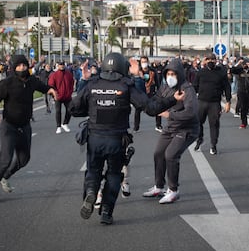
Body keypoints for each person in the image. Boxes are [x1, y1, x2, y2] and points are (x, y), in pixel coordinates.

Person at [69, 53, 184, 225]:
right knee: (114, 175)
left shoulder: (92, 84)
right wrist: (171, 99)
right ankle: (107, 212)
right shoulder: (126, 85)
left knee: (93, 171)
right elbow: (150, 108)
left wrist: (86, 87)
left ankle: (92, 191)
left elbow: (74, 109)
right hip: (116, 139)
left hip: (95, 137)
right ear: (123, 67)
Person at [0, 55, 57, 204]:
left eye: (24, 65)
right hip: (9, 126)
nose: (22, 68)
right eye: (19, 66)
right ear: (14, 67)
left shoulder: (32, 81)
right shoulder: (7, 83)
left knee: (24, 159)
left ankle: (6, 176)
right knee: (5, 159)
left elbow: (44, 87)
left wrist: (51, 90)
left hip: (24, 127)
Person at [142, 58, 199, 204]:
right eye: (168, 74)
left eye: (174, 74)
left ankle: (173, 190)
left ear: (180, 74)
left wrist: (170, 115)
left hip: (187, 129)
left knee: (171, 155)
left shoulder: (187, 89)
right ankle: (159, 187)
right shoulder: (165, 87)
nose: (170, 77)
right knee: (158, 153)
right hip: (171, 128)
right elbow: (156, 100)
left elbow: (191, 112)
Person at [193, 53, 231, 155]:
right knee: (198, 123)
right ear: (205, 61)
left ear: (216, 60)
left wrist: (228, 101)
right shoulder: (201, 72)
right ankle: (199, 139)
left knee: (214, 125)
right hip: (201, 101)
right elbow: (194, 86)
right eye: (208, 59)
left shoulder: (221, 72)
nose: (211, 61)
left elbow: (227, 87)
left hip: (215, 103)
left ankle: (213, 145)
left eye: (213, 59)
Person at [48, 60, 74, 134]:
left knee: (70, 109)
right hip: (58, 96)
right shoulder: (54, 75)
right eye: (60, 64)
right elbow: (51, 85)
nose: (61, 66)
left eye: (62, 64)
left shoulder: (68, 74)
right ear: (58, 65)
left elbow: (72, 83)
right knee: (58, 111)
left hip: (67, 96)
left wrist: (70, 92)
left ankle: (65, 123)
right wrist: (54, 94)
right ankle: (58, 126)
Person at [230, 57, 249, 129]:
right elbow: (232, 70)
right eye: (243, 64)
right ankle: (243, 123)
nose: (244, 65)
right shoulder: (239, 70)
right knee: (243, 108)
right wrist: (238, 63)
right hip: (242, 91)